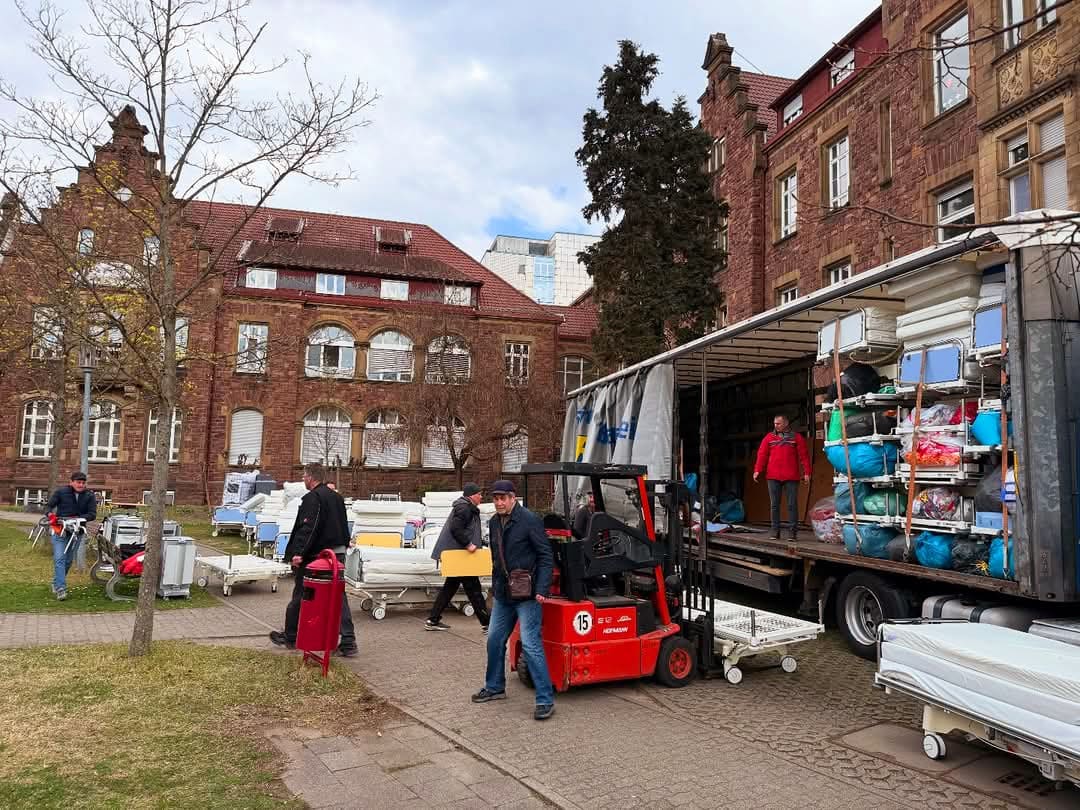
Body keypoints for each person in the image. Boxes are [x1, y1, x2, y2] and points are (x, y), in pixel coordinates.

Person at [471, 479, 555, 721]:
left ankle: (545, 699)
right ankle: (495, 687)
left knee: (530, 644)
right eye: (495, 498)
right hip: (504, 593)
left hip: (528, 594)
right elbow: (497, 559)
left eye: (503, 498)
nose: (499, 502)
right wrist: (494, 587)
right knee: (494, 639)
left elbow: (545, 556)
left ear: (512, 498)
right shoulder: (494, 522)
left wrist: (542, 588)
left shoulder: (529, 520)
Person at [270, 462, 357, 657]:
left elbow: (309, 527)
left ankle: (291, 635)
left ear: (310, 477)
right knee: (338, 595)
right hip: (337, 553)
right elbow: (344, 523)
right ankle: (348, 641)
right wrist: (345, 542)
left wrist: (298, 552)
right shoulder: (336, 497)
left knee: (301, 592)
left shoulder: (313, 498)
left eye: (304, 476)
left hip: (317, 555)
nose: (303, 480)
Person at [425, 483, 490, 632]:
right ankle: (487, 623)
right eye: (479, 494)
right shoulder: (464, 508)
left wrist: (480, 542)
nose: (481, 497)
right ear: (472, 495)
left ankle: (433, 620)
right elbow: (456, 528)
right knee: (474, 590)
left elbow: (467, 529)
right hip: (461, 555)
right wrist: (468, 544)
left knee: (450, 588)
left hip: (459, 556)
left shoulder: (465, 507)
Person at [753, 414, 811, 541]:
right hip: (773, 476)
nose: (776, 425)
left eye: (778, 423)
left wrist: (807, 472)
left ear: (786, 423)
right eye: (774, 423)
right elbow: (762, 455)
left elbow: (804, 456)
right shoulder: (769, 438)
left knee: (792, 505)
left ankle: (792, 533)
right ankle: (775, 532)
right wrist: (757, 470)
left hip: (791, 476)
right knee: (774, 505)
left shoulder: (796, 437)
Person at [45, 470, 97, 601]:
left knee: (68, 560)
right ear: (71, 482)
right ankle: (61, 589)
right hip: (60, 530)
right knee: (59, 558)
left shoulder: (89, 495)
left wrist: (78, 519)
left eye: (83, 483)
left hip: (77, 532)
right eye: (78, 482)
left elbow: (92, 514)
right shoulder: (61, 492)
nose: (81, 485)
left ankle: (56, 582)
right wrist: (50, 515)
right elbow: (48, 507)